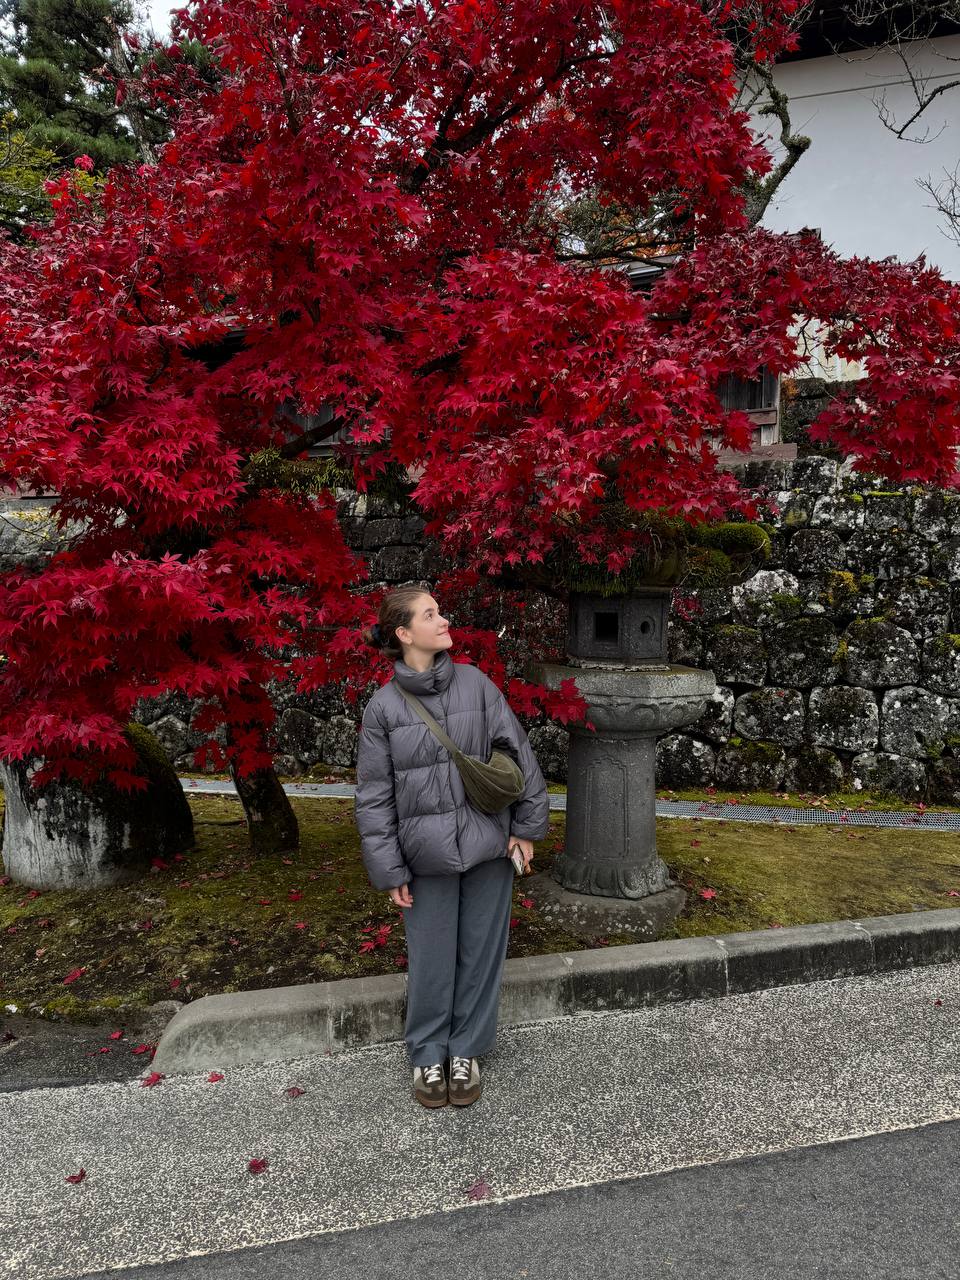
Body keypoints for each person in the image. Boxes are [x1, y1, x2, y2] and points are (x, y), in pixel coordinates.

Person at [354, 583, 550, 1109]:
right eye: (430, 614)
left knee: (481, 955)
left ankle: (466, 1051)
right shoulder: (383, 709)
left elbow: (519, 755)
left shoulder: (477, 685)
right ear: (403, 633)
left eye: (439, 612)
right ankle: (427, 1052)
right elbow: (374, 797)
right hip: (426, 857)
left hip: (489, 846)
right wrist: (389, 869)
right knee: (431, 959)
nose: (444, 621)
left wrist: (526, 829)